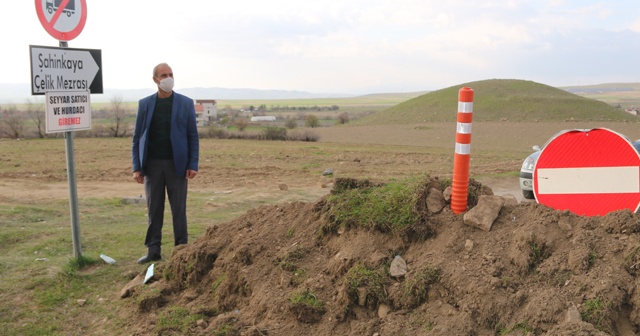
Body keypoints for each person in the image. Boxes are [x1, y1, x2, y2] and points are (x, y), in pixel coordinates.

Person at [131, 63, 199, 264]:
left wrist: (193, 163)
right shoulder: (145, 104)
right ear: (155, 80)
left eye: (170, 74)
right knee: (154, 209)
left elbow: (192, 136)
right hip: (151, 165)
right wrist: (136, 167)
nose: (168, 78)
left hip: (177, 165)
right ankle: (153, 250)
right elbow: (137, 138)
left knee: (178, 208)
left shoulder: (185, 103)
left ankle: (181, 249)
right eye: (164, 75)